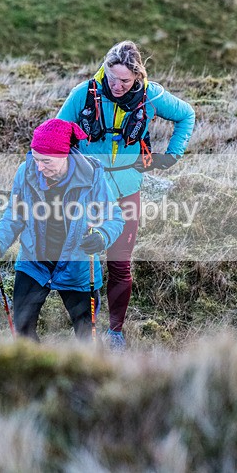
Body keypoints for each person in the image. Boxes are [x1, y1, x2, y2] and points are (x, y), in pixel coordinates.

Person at [56, 40, 195, 349]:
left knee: (120, 263)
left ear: (137, 77)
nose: (117, 85)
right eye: (112, 77)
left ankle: (115, 332)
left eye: (125, 80)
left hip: (127, 191)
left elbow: (187, 115)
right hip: (88, 192)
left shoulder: (153, 95)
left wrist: (172, 154)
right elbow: (55, 132)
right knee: (84, 264)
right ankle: (85, 330)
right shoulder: (84, 94)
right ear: (105, 69)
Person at [0, 118, 124, 341]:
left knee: (86, 335)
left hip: (77, 265)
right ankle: (34, 371)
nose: (39, 167)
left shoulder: (91, 175)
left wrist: (101, 236)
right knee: (22, 328)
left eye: (46, 161)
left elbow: (115, 217)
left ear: (64, 154)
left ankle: (83, 374)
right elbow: (14, 215)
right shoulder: (26, 172)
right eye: (36, 159)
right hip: (34, 262)